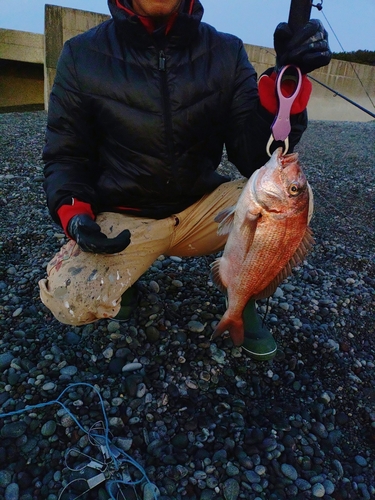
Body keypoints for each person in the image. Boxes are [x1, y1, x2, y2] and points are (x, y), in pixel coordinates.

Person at [39, 0, 331, 361]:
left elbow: (254, 156)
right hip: (126, 221)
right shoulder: (82, 54)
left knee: (296, 202)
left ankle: (244, 293)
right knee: (68, 295)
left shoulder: (225, 51)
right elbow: (66, 154)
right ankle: (124, 276)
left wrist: (285, 92)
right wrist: (75, 214)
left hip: (201, 211)